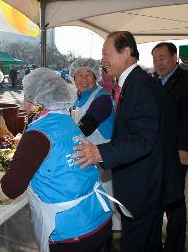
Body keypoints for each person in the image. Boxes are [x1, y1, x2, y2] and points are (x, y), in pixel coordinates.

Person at [0, 68, 114, 252]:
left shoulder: (37, 134)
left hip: (74, 231)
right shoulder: (66, 121)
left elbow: (10, 188)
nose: (23, 102)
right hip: (99, 216)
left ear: (37, 101)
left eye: (26, 96)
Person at [72, 31, 166, 252]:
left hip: (142, 184)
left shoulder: (139, 85)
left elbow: (143, 139)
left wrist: (100, 153)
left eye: (106, 53)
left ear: (126, 52)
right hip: (139, 178)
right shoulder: (133, 82)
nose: (102, 60)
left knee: (138, 242)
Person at [152, 42, 188, 252]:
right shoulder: (155, 80)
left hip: (176, 149)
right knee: (158, 194)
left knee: (174, 198)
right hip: (157, 149)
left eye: (162, 58)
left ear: (174, 57)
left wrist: (185, 147)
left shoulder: (187, 79)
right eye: (154, 59)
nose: (158, 63)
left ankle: (174, 245)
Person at [69, 58, 120, 230]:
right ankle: (96, 227)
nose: (84, 79)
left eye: (88, 74)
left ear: (96, 76)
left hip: (102, 154)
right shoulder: (77, 98)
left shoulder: (102, 98)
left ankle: (112, 232)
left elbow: (86, 126)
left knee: (106, 194)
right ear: (73, 78)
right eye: (79, 75)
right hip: (86, 153)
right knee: (92, 194)